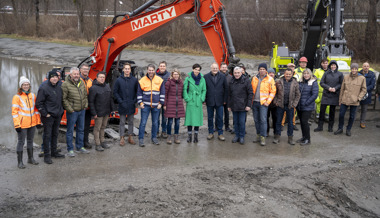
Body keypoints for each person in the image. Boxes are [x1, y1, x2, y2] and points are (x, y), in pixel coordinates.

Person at [36, 71, 65, 164]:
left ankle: (54, 152)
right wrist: (45, 113)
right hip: (48, 116)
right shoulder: (44, 88)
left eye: (56, 77)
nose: (55, 79)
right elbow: (38, 103)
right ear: (49, 78)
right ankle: (46, 155)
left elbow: (61, 100)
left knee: (55, 134)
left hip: (57, 115)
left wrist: (61, 111)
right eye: (53, 77)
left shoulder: (59, 87)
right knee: (47, 135)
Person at [12, 76, 41, 168]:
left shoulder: (33, 95)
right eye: (24, 84)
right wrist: (17, 125)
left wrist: (38, 122)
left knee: (30, 141)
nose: (26, 86)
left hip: (32, 123)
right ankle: (20, 162)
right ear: (21, 86)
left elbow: (36, 110)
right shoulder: (17, 97)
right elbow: (14, 112)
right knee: (21, 142)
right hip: (22, 124)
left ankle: (30, 158)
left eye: (27, 84)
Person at [61, 67, 89, 157]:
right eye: (75, 74)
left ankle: (80, 147)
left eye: (77, 74)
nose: (76, 75)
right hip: (72, 112)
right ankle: (70, 149)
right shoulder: (65, 84)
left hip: (82, 110)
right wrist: (70, 109)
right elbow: (63, 99)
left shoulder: (81, 83)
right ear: (71, 75)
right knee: (70, 131)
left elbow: (85, 95)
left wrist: (85, 106)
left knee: (81, 130)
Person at [335, 63, 367, 136]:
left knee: (352, 116)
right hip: (344, 99)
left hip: (354, 101)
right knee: (341, 115)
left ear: (357, 69)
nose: (354, 70)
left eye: (355, 69)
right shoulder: (346, 77)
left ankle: (348, 129)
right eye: (353, 69)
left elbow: (364, 90)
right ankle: (340, 128)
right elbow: (342, 89)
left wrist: (359, 98)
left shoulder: (362, 78)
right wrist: (340, 100)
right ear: (351, 69)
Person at [137, 64, 165, 147]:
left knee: (155, 123)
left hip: (156, 106)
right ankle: (141, 139)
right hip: (145, 106)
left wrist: (161, 103)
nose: (151, 72)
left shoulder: (160, 80)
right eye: (149, 70)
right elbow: (139, 93)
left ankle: (154, 138)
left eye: (152, 70)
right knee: (143, 123)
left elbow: (162, 92)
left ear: (154, 70)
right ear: (147, 70)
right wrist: (140, 103)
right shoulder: (142, 80)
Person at [273, 68, 300, 145]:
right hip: (280, 105)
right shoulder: (278, 82)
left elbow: (298, 95)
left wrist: (294, 104)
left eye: (289, 74)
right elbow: (274, 93)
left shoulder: (295, 83)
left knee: (290, 123)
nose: (288, 75)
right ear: (284, 74)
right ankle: (277, 137)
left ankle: (290, 138)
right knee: (278, 122)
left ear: (292, 74)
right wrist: (276, 102)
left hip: (290, 106)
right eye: (286, 74)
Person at [314, 60, 343, 132]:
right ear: (330, 66)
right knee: (322, 111)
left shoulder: (340, 74)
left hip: (334, 94)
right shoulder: (326, 73)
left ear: (336, 66)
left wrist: (335, 88)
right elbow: (321, 83)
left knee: (332, 112)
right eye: (332, 65)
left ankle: (330, 127)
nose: (333, 66)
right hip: (326, 94)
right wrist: (328, 88)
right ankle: (320, 127)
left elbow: (341, 83)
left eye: (334, 65)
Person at [113, 62, 138, 146]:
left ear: (130, 70)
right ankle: (122, 137)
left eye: (128, 69)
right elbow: (115, 92)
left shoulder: (134, 80)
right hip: (122, 104)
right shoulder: (119, 80)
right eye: (126, 69)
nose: (127, 70)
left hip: (131, 104)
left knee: (131, 121)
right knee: (122, 122)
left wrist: (134, 101)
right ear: (123, 69)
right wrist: (120, 101)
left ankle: (130, 137)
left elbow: (137, 92)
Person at [251, 63, 276, 146]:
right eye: (260, 69)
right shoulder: (254, 78)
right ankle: (258, 134)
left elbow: (273, 91)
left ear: (266, 70)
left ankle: (263, 137)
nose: (262, 70)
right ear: (258, 70)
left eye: (263, 69)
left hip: (263, 103)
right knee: (256, 120)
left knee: (263, 120)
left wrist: (268, 102)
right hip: (255, 102)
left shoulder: (270, 79)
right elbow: (251, 89)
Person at [89, 72, 114, 151]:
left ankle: (102, 141)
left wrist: (112, 110)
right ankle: (97, 144)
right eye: (100, 77)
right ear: (96, 78)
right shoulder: (93, 88)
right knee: (97, 128)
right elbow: (91, 102)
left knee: (103, 127)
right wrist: (94, 113)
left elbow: (110, 99)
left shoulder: (107, 86)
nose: (102, 79)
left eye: (103, 77)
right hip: (98, 112)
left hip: (106, 111)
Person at [228, 66, 253, 144]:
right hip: (234, 105)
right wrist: (229, 105)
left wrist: (248, 105)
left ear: (241, 73)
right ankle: (237, 136)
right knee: (235, 122)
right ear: (233, 73)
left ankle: (242, 136)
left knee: (242, 122)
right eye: (235, 73)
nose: (237, 74)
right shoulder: (231, 81)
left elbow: (250, 93)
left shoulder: (246, 81)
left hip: (243, 106)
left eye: (238, 73)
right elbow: (229, 94)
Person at [204, 63, 228, 141]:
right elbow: (204, 89)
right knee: (210, 118)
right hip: (210, 101)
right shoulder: (206, 77)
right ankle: (210, 132)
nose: (215, 69)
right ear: (211, 68)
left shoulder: (223, 76)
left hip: (220, 101)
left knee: (220, 118)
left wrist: (225, 100)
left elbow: (226, 89)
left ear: (218, 69)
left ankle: (220, 133)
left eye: (216, 68)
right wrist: (204, 99)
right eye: (213, 68)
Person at [183, 64, 206, 143]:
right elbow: (185, 89)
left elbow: (204, 90)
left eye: (198, 70)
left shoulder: (202, 79)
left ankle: (196, 136)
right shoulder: (188, 79)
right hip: (191, 100)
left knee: (197, 119)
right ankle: (189, 136)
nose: (197, 71)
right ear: (193, 69)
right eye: (196, 69)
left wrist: (202, 98)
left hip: (198, 101)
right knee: (190, 119)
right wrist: (187, 98)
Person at [296, 68, 319, 145]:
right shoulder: (300, 82)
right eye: (304, 73)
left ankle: (308, 139)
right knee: (302, 122)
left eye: (307, 73)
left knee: (305, 122)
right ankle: (303, 137)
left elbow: (315, 95)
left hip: (307, 106)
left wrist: (306, 102)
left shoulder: (313, 82)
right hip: (299, 106)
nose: (306, 75)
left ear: (310, 74)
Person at [164, 69, 185, 144]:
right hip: (170, 104)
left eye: (177, 74)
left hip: (178, 104)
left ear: (179, 75)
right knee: (169, 122)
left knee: (178, 122)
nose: (176, 76)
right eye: (174, 74)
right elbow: (165, 94)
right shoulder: (168, 83)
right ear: (172, 75)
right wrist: (165, 104)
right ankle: (169, 136)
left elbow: (182, 94)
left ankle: (176, 136)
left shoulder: (181, 83)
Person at [280, 63, 299, 131]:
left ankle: (293, 124)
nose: (291, 68)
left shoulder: (297, 76)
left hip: (292, 99)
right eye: (290, 67)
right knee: (283, 114)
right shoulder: (282, 76)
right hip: (284, 99)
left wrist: (295, 102)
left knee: (293, 113)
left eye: (292, 67)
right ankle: (282, 124)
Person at [79, 64, 93, 149]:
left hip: (88, 107)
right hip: (80, 107)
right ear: (80, 70)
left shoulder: (90, 80)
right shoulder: (77, 80)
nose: (85, 71)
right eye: (84, 69)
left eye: (87, 69)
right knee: (80, 126)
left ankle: (85, 141)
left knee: (86, 126)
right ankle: (80, 143)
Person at [358, 62, 376, 129]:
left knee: (364, 110)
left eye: (367, 66)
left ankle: (362, 122)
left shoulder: (372, 74)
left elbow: (372, 85)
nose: (366, 67)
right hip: (358, 94)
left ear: (369, 67)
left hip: (367, 95)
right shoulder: (358, 74)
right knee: (355, 109)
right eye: (365, 66)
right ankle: (351, 121)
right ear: (362, 67)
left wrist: (364, 90)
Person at [156, 61, 170, 138]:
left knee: (165, 118)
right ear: (158, 67)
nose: (162, 67)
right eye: (161, 66)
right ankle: (157, 131)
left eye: (163, 66)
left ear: (166, 67)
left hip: (165, 100)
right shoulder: (155, 75)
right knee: (156, 117)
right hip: (156, 100)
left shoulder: (169, 75)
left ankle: (164, 131)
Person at [220, 62, 233, 132]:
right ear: (220, 68)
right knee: (219, 114)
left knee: (227, 113)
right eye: (223, 67)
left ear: (227, 68)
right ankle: (217, 126)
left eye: (225, 67)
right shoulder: (217, 75)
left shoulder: (230, 77)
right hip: (219, 97)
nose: (224, 69)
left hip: (228, 98)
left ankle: (227, 126)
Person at [266, 68, 278, 136]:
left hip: (275, 103)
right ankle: (266, 131)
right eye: (269, 72)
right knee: (266, 118)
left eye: (272, 73)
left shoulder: (277, 81)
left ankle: (275, 132)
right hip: (266, 103)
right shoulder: (265, 81)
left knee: (275, 119)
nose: (271, 74)